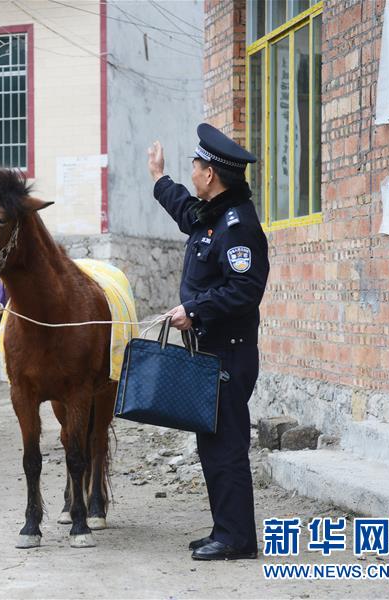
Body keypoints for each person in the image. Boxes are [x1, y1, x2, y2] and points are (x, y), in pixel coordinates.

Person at [147, 123, 269, 561]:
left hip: (229, 354)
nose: (193, 172)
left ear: (211, 174)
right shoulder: (213, 215)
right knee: (212, 442)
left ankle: (237, 540)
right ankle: (226, 530)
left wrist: (194, 310)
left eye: (195, 166)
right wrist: (159, 177)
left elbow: (245, 289)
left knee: (226, 446)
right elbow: (185, 211)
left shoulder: (238, 227)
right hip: (210, 352)